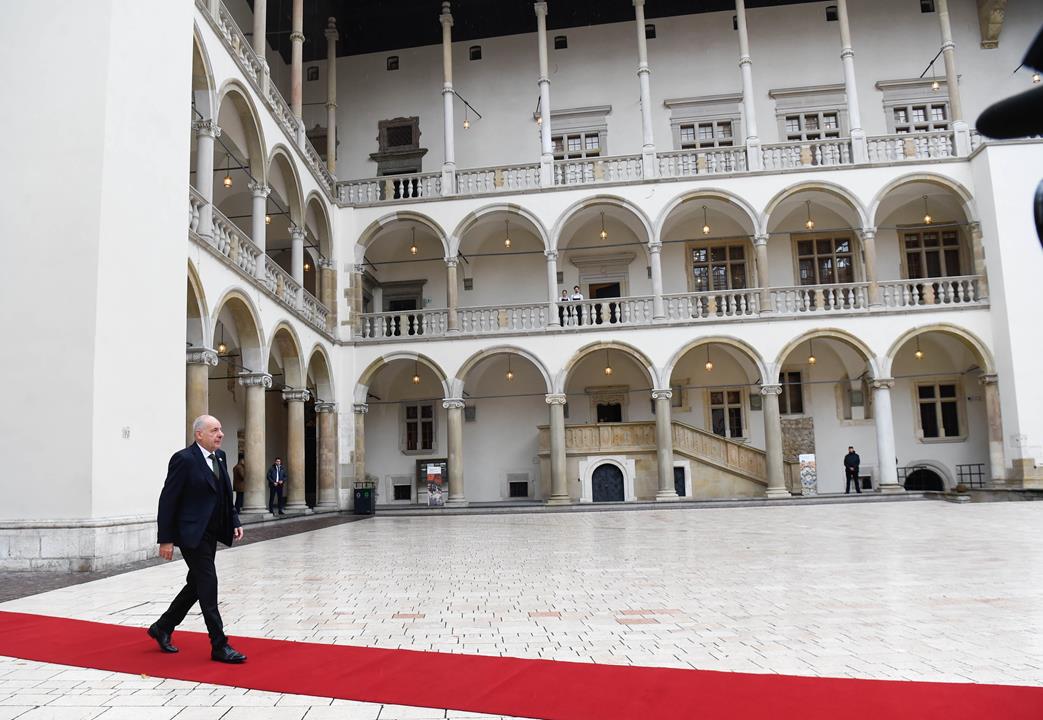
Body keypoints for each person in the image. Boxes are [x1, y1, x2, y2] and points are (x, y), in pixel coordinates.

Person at [149, 414, 246, 664]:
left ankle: (163, 626)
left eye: (221, 429)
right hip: (192, 534)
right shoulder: (184, 460)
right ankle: (219, 644)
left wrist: (234, 520)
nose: (220, 434)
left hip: (212, 532)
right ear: (199, 434)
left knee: (196, 584)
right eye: (214, 430)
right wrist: (166, 539)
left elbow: (225, 493)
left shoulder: (220, 457)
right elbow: (168, 500)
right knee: (208, 582)